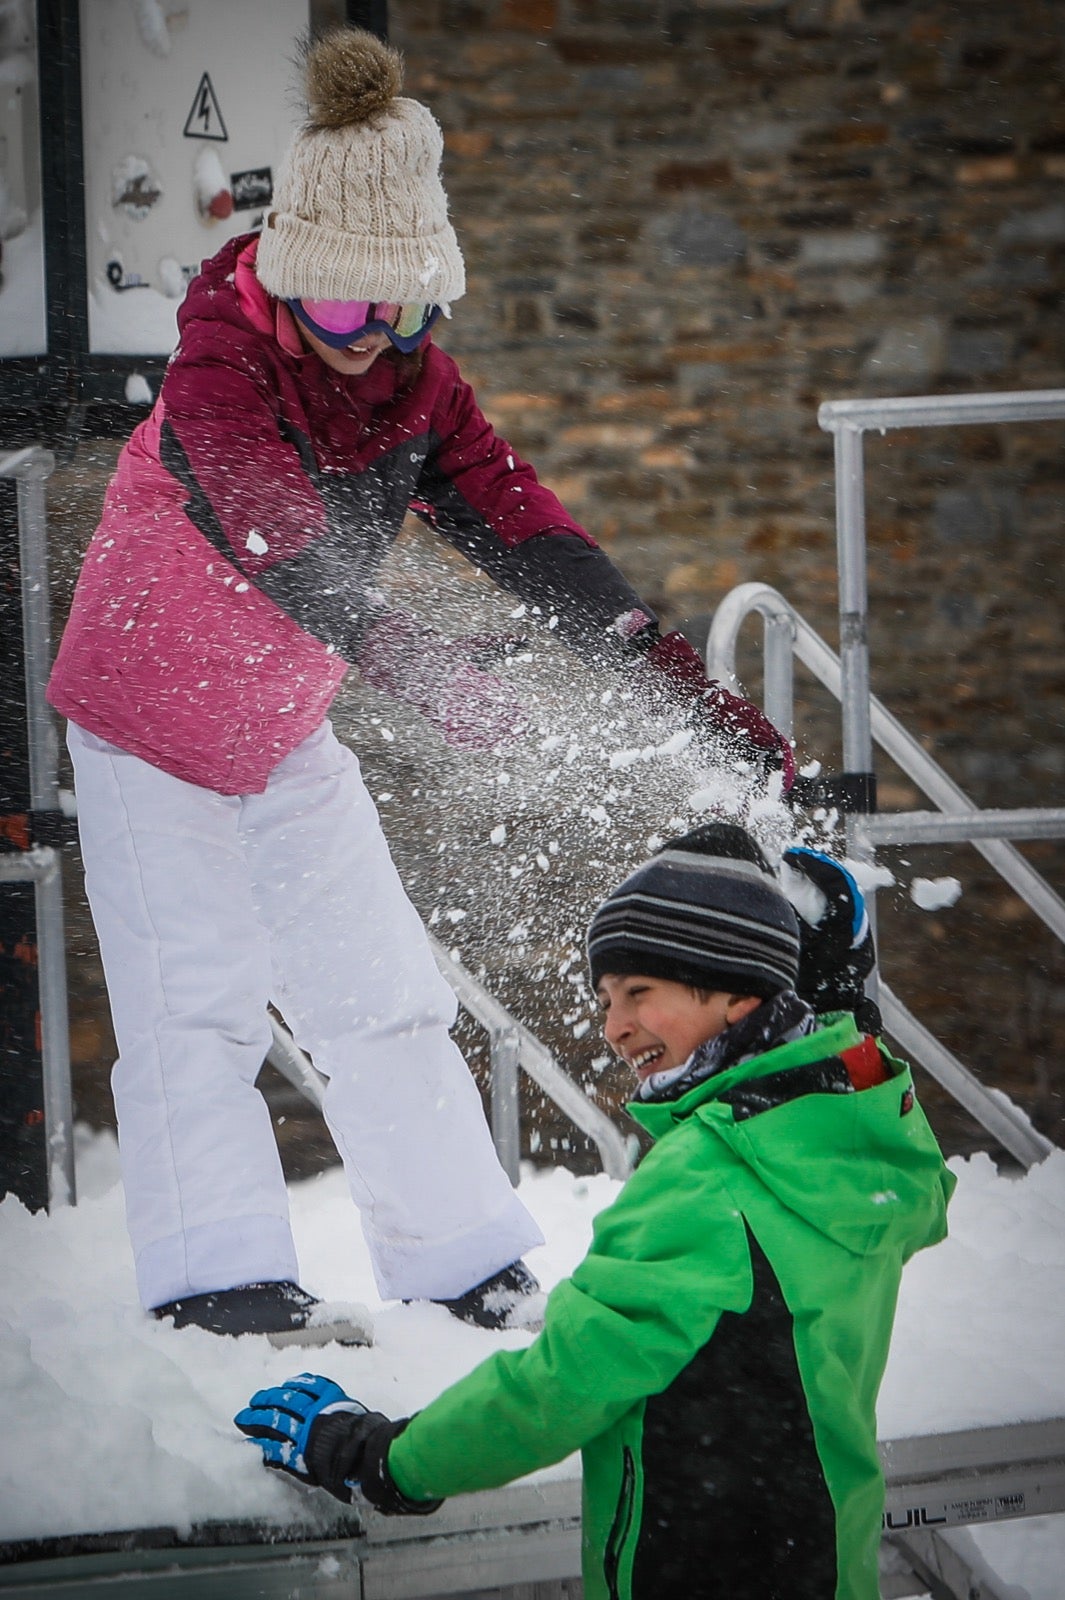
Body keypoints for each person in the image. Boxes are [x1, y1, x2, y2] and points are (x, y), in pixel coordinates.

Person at [47, 29, 792, 1341]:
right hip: (145, 725)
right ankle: (215, 1278)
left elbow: (526, 531)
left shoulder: (415, 388)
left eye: (403, 310)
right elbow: (270, 529)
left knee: (384, 993)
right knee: (196, 1005)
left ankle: (459, 1261)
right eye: (344, 309)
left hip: (278, 726)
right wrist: (414, 664)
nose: (371, 339)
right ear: (292, 284)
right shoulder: (221, 363)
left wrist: (672, 675)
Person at [235, 823, 955, 1598]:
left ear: (739, 994)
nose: (613, 1027)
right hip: (823, 1566)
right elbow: (868, 1121)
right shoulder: (836, 1150)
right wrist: (836, 1011)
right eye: (607, 999)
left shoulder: (703, 1182)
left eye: (639, 993)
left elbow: (561, 1385)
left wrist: (379, 1459)